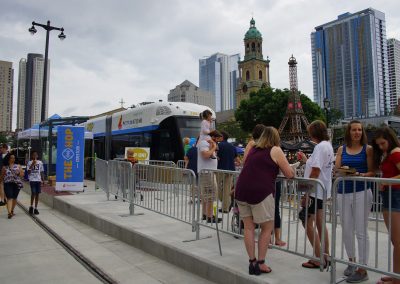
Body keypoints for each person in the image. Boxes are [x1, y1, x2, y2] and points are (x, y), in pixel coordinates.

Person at [235, 127, 295, 275]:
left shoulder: (254, 148)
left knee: (248, 228)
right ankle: (261, 263)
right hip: (260, 192)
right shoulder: (275, 150)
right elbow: (289, 174)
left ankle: (252, 262)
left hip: (242, 190)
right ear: (276, 138)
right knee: (267, 228)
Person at [335, 121, 374, 283]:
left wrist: (359, 174)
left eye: (359, 130)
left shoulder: (368, 149)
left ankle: (363, 267)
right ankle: (351, 261)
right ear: (348, 132)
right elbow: (337, 169)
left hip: (362, 192)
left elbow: (373, 171)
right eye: (354, 130)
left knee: (361, 230)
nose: (357, 132)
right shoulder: (341, 149)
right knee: (346, 229)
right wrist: (345, 171)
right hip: (343, 192)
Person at [298, 120, 334, 269]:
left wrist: (306, 193)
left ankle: (318, 257)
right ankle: (325, 255)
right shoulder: (328, 146)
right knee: (320, 222)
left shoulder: (319, 147)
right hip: (323, 189)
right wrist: (307, 161)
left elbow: (315, 171)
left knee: (306, 220)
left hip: (315, 191)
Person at [372, 127, 400, 284]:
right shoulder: (391, 153)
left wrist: (386, 181)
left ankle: (397, 278)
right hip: (390, 196)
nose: (381, 147)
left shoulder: (395, 152)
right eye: (379, 144)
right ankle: (396, 275)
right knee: (396, 241)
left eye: (383, 143)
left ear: (389, 139)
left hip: (395, 196)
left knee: (397, 241)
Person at [197, 130, 222, 223]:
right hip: (207, 173)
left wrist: (213, 148)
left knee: (206, 195)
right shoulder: (204, 143)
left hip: (208, 172)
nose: (217, 142)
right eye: (217, 140)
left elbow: (210, 155)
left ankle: (205, 214)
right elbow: (205, 155)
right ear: (213, 137)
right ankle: (210, 216)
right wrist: (214, 146)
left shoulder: (207, 143)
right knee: (210, 194)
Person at [217, 130, 239, 213]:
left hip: (219, 169)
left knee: (217, 187)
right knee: (227, 189)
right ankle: (225, 208)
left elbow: (216, 157)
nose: (217, 138)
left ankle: (222, 199)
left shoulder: (218, 146)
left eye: (218, 136)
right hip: (231, 170)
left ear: (222, 137)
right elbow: (236, 159)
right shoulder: (232, 146)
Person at [1, 154, 24, 219]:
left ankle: (12, 210)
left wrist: (19, 173)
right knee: (9, 197)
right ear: (8, 159)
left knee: (14, 198)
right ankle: (9, 213)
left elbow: (22, 175)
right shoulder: (4, 167)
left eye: (14, 158)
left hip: (16, 184)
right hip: (8, 184)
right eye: (11, 158)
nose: (13, 159)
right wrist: (3, 174)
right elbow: (1, 178)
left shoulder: (18, 166)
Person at [27, 151, 45, 215]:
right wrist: (32, 164)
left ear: (37, 156)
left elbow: (42, 171)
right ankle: (31, 206)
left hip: (38, 180)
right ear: (32, 156)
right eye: (33, 155)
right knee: (33, 193)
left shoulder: (40, 162)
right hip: (32, 180)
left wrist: (43, 179)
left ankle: (36, 208)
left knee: (37, 194)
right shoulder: (29, 163)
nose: (35, 156)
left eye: (36, 155)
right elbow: (28, 172)